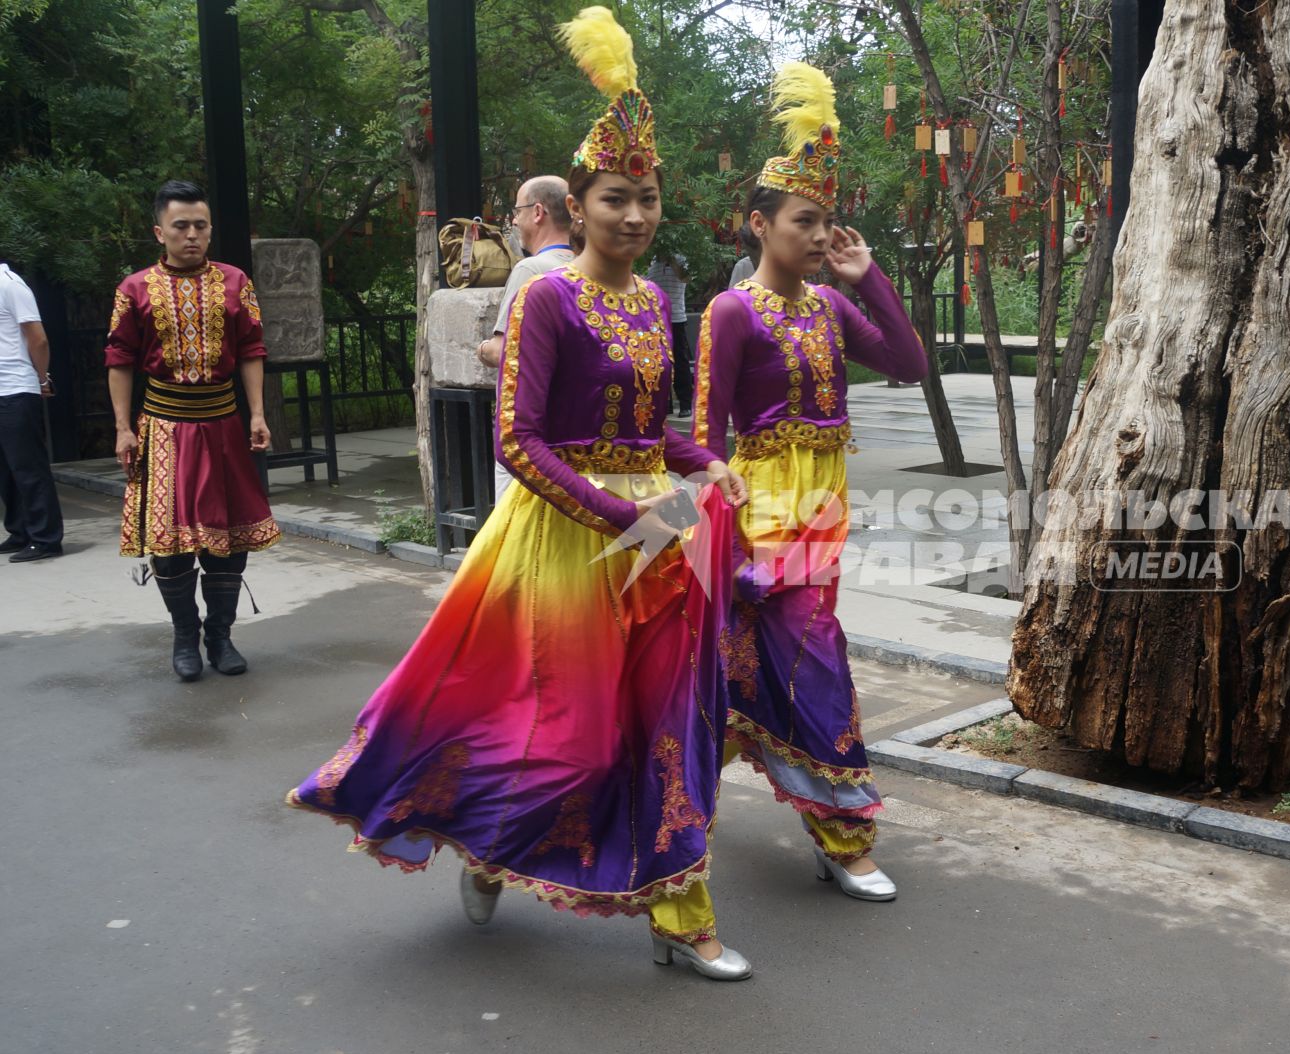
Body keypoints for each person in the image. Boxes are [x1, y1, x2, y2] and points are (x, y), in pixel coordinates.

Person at [288, 6, 755, 981]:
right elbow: (519, 437)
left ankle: (683, 915)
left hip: (659, 535)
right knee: (567, 743)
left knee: (672, 723)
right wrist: (627, 513)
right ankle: (487, 836)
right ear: (577, 205)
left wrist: (697, 463)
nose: (635, 216)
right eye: (618, 198)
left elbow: (645, 428)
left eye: (649, 201)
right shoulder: (547, 295)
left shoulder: (650, 298)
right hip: (566, 535)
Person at [694, 62, 927, 903]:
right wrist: (715, 519)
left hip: (821, 509)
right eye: (804, 220)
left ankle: (676, 805)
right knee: (807, 660)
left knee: (750, 667)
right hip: (759, 511)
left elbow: (907, 364)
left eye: (827, 220)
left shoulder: (830, 307)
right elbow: (703, 429)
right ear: (759, 224)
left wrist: (867, 278)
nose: (820, 234)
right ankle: (841, 834)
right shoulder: (733, 313)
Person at [107, 181, 280, 680]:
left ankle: (220, 636)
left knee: (229, 535)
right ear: (159, 231)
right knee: (170, 541)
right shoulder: (134, 289)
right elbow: (119, 360)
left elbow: (251, 349)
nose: (191, 235)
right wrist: (123, 428)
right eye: (180, 226)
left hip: (223, 424)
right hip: (162, 428)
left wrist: (258, 414)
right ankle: (185, 634)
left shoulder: (234, 282)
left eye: (200, 226)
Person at [478, 175, 575, 498]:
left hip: (528, 431)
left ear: (537, 212)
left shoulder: (531, 270)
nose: (515, 221)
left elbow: (505, 349)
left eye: (517, 211)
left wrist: (482, 348)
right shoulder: (588, 269)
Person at [0, 261, 63, 563]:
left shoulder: (10, 284)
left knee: (28, 468)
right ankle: (20, 531)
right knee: (6, 471)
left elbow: (37, 337)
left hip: (16, 388)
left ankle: (46, 537)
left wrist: (42, 378)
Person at [645, 251, 694, 417]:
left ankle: (686, 403)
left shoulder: (680, 259)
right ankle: (665, 403)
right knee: (660, 362)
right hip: (655, 320)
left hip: (676, 318)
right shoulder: (652, 261)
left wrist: (671, 260)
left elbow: (687, 278)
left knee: (680, 361)